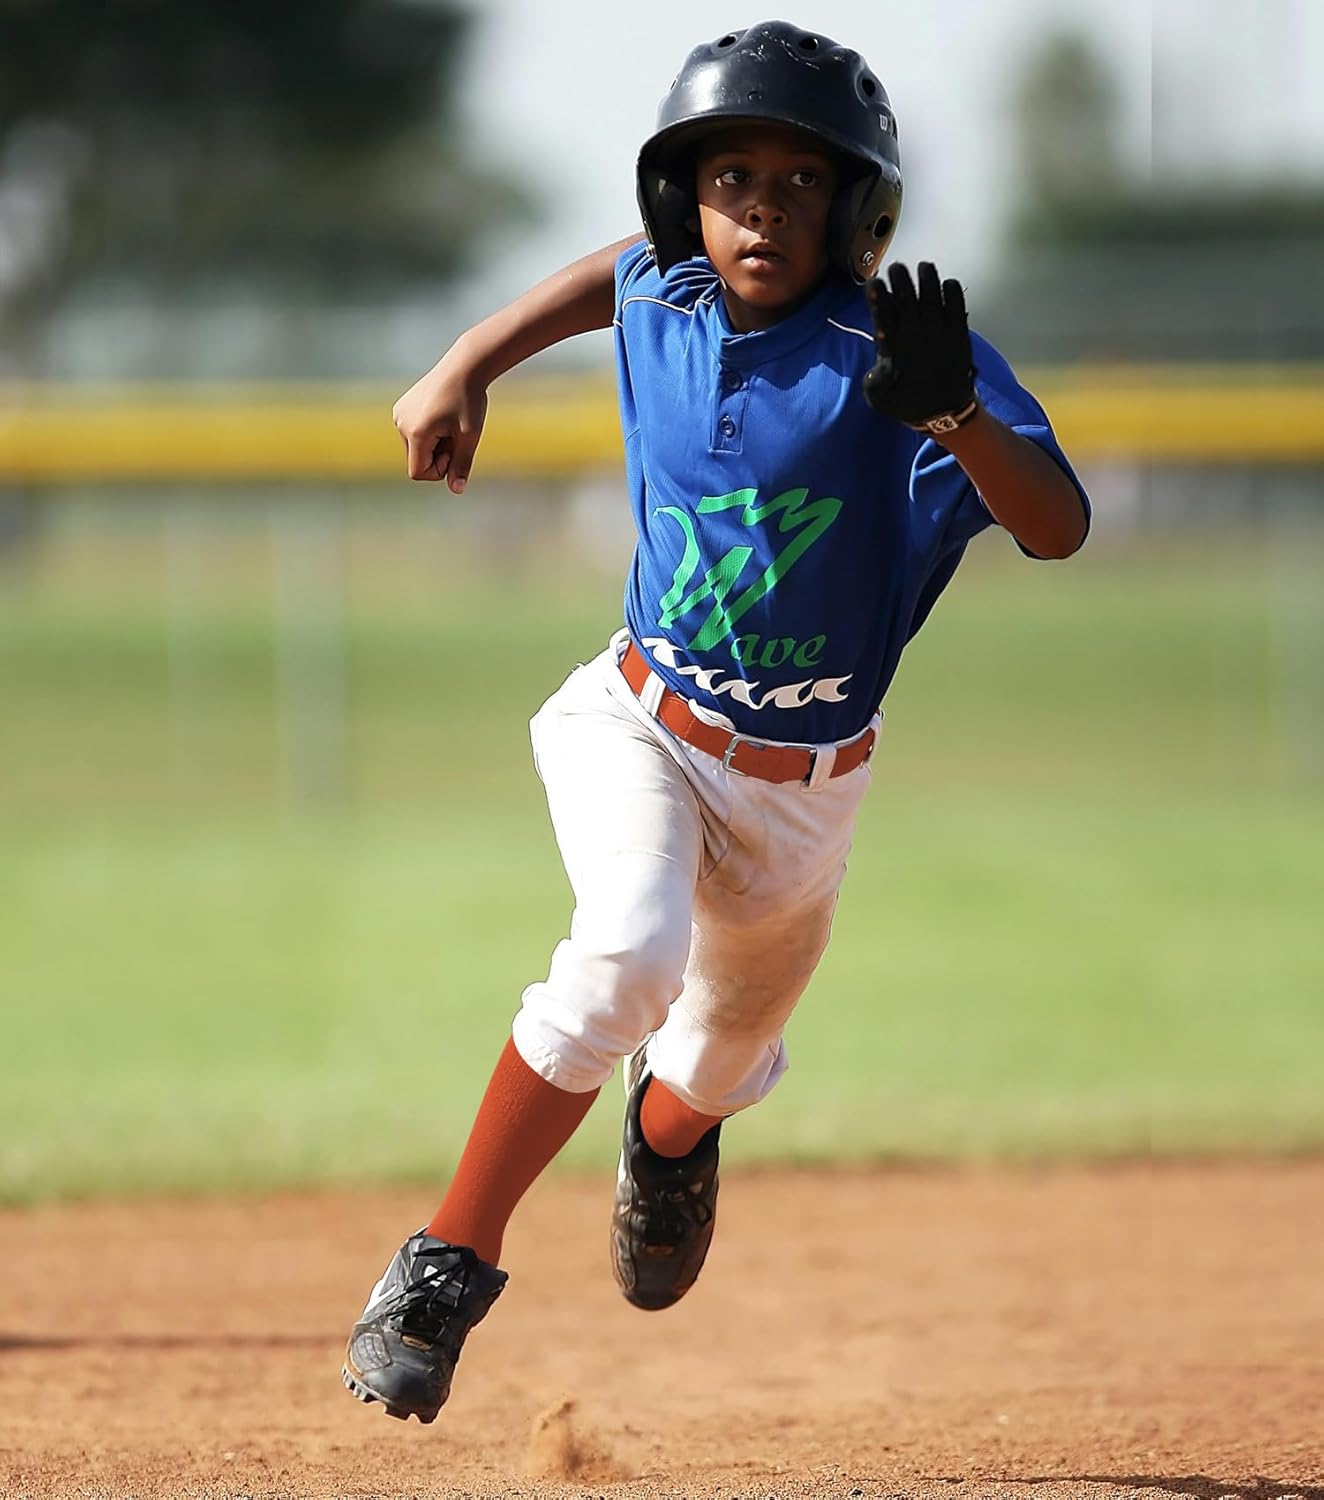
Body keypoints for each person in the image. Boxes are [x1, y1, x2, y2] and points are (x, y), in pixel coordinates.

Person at [341, 19, 1090, 1425]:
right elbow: (606, 282)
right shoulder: (667, 301)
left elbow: (1058, 526)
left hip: (806, 796)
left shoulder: (906, 358)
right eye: (729, 175)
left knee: (704, 1070)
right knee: (623, 954)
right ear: (683, 199)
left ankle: (667, 1141)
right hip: (641, 722)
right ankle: (446, 1262)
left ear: (857, 208)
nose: (759, 206)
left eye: (799, 181)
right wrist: (465, 362)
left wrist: (958, 423)